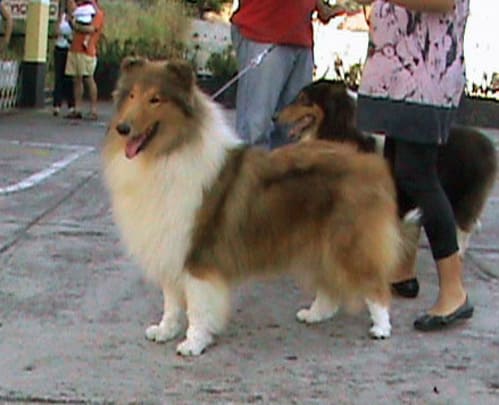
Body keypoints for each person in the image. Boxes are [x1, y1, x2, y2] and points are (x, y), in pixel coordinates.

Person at [355, 0, 473, 331]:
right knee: (395, 173)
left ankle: (454, 290)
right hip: (398, 79)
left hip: (424, 79)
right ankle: (402, 271)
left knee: (417, 175)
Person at [230, 0, 344, 148]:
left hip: (300, 38)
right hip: (263, 32)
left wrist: (320, 7)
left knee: (293, 129)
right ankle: (250, 170)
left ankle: (282, 170)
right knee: (255, 129)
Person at [65, 0, 104, 120]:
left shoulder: (97, 13)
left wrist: (75, 24)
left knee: (88, 78)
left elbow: (91, 29)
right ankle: (77, 108)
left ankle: (93, 109)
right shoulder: (80, 10)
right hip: (74, 49)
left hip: (87, 51)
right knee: (76, 79)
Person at [52, 1, 76, 116]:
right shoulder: (61, 17)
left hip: (70, 49)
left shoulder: (77, 17)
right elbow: (56, 31)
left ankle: (71, 105)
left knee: (69, 78)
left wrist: (71, 22)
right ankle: (56, 105)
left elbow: (77, 32)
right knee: (59, 77)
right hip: (59, 47)